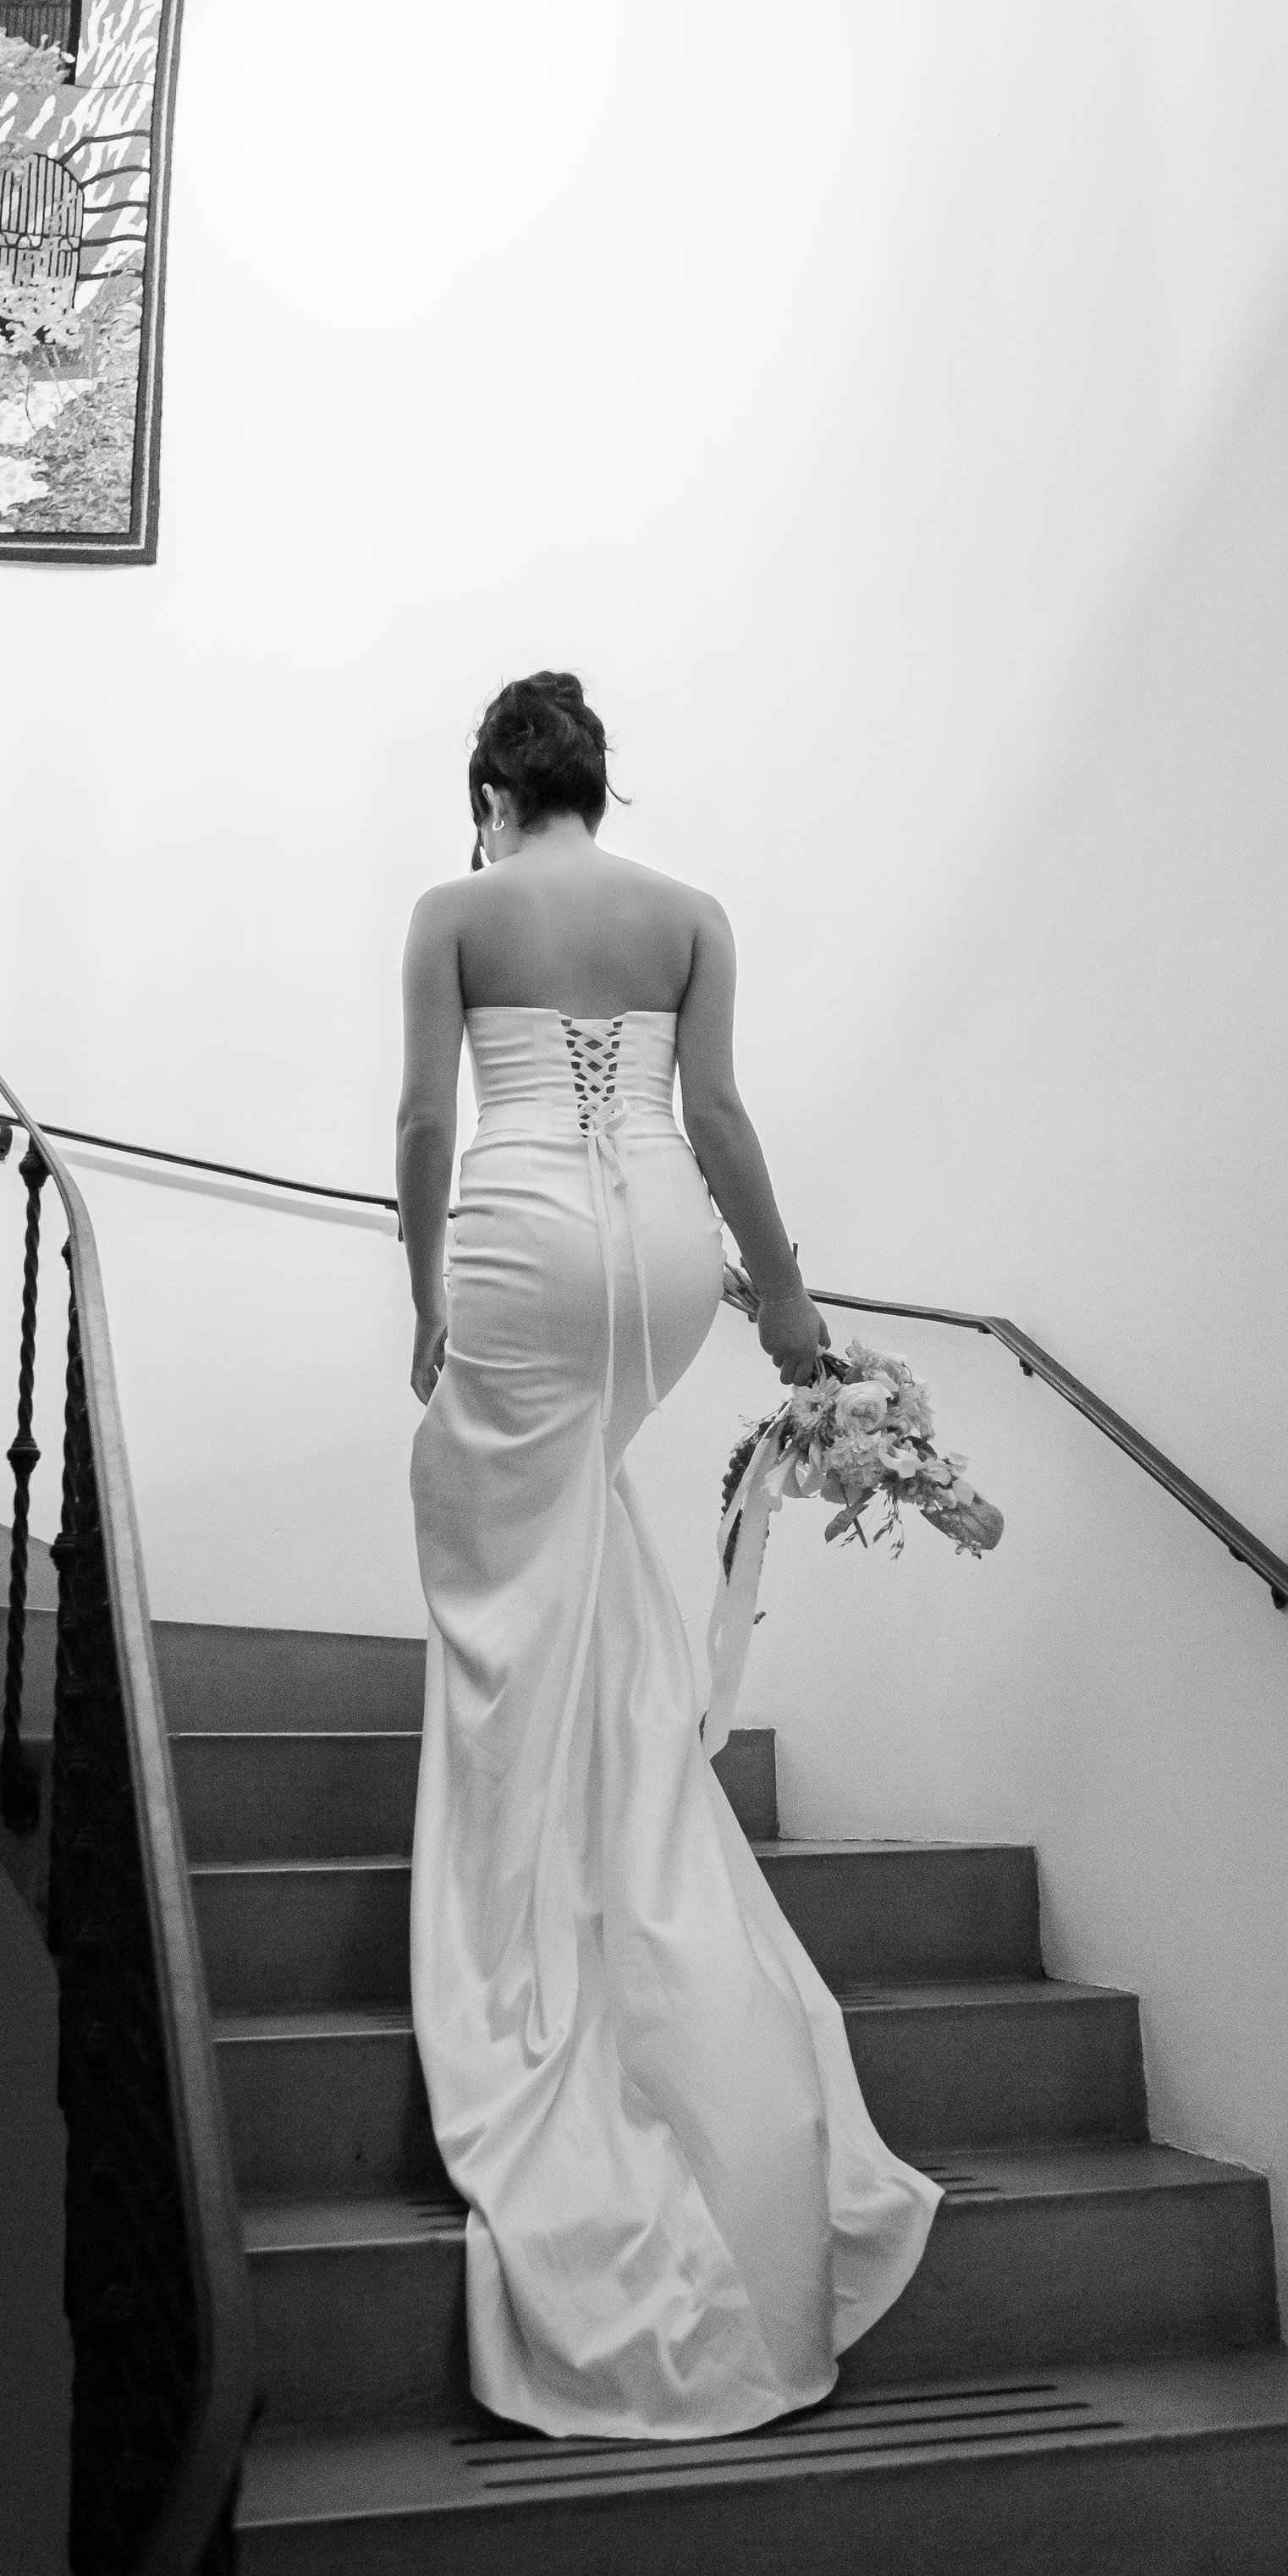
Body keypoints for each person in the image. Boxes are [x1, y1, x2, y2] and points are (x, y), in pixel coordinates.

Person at [398, 670, 938, 2441]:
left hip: (522, 1240)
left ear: (492, 786)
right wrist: (779, 1301)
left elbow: (425, 1129)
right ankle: (624, 1844)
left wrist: (424, 1306)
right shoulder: (686, 916)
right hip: (661, 1285)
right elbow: (713, 1119)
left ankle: (525, 1927)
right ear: (599, 789)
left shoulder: (454, 908)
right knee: (586, 1558)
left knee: (495, 1587)